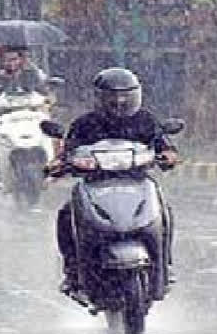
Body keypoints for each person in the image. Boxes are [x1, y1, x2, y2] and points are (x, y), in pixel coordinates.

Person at [54, 67, 179, 297]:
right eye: (113, 96)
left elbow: (164, 145)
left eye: (126, 95)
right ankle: (72, 272)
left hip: (137, 181)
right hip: (95, 184)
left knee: (164, 212)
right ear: (99, 97)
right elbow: (67, 151)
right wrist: (59, 163)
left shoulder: (145, 121)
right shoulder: (85, 124)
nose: (119, 101)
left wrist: (168, 155)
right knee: (65, 215)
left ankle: (165, 264)